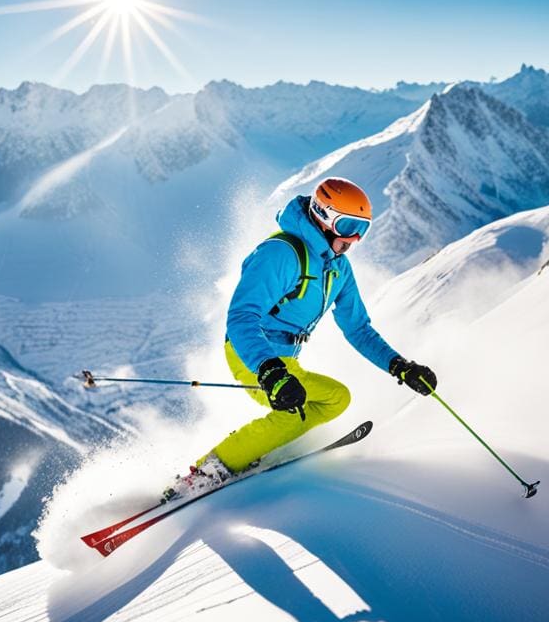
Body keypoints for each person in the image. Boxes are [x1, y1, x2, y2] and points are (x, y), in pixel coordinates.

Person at [165, 177, 438, 500]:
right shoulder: (280, 254)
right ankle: (208, 470)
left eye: (362, 228)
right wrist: (269, 369)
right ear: (323, 216)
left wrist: (399, 366)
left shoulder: (338, 268)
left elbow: (358, 328)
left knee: (337, 398)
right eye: (348, 225)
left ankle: (265, 446)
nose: (353, 239)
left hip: (284, 361)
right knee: (294, 411)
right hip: (252, 352)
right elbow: (241, 317)